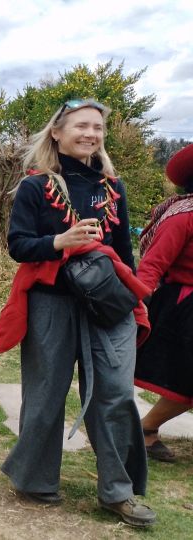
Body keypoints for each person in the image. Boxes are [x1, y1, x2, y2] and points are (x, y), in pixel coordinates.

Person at [0, 99, 154, 527]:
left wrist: (133, 297)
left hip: (107, 303)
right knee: (46, 393)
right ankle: (35, 480)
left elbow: (123, 252)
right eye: (81, 126)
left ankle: (119, 492)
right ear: (57, 133)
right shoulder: (35, 187)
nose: (91, 134)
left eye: (98, 128)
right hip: (52, 303)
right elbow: (18, 245)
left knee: (116, 393)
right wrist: (59, 242)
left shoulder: (111, 188)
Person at [134, 144, 193, 463]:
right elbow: (153, 264)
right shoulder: (183, 217)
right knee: (186, 384)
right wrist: (135, 302)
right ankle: (145, 427)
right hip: (183, 308)